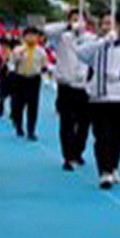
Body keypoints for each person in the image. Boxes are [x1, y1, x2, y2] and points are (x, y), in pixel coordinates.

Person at [75, 12, 120, 189]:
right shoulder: (95, 47)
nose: (107, 27)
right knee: (102, 136)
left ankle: (113, 165)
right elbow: (80, 53)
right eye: (104, 24)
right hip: (99, 99)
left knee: (118, 136)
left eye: (111, 24)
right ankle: (104, 172)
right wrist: (103, 41)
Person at [45, 11, 91, 171]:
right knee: (67, 122)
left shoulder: (90, 39)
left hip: (84, 86)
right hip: (66, 85)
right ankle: (68, 156)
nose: (78, 23)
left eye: (81, 20)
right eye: (74, 19)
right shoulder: (62, 37)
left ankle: (78, 151)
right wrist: (68, 26)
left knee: (84, 123)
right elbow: (47, 30)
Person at [9, 27, 49, 140]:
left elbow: (44, 67)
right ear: (24, 37)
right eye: (29, 35)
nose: (31, 38)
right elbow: (11, 64)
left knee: (33, 106)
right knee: (18, 104)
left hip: (34, 79)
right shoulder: (18, 50)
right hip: (20, 78)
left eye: (34, 36)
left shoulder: (41, 52)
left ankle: (31, 130)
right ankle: (19, 126)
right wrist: (17, 58)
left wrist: (45, 78)